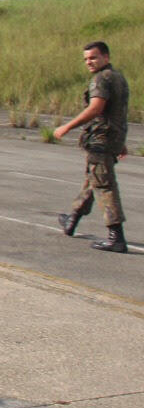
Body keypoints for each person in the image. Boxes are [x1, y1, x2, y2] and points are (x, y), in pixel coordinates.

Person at [55, 41, 131, 253]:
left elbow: (96, 108)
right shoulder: (119, 78)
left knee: (104, 186)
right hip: (112, 137)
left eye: (93, 57)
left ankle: (116, 236)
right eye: (86, 59)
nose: (89, 62)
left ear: (106, 57)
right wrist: (120, 141)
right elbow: (118, 112)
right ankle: (73, 219)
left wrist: (67, 126)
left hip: (100, 140)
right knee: (94, 179)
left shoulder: (101, 79)